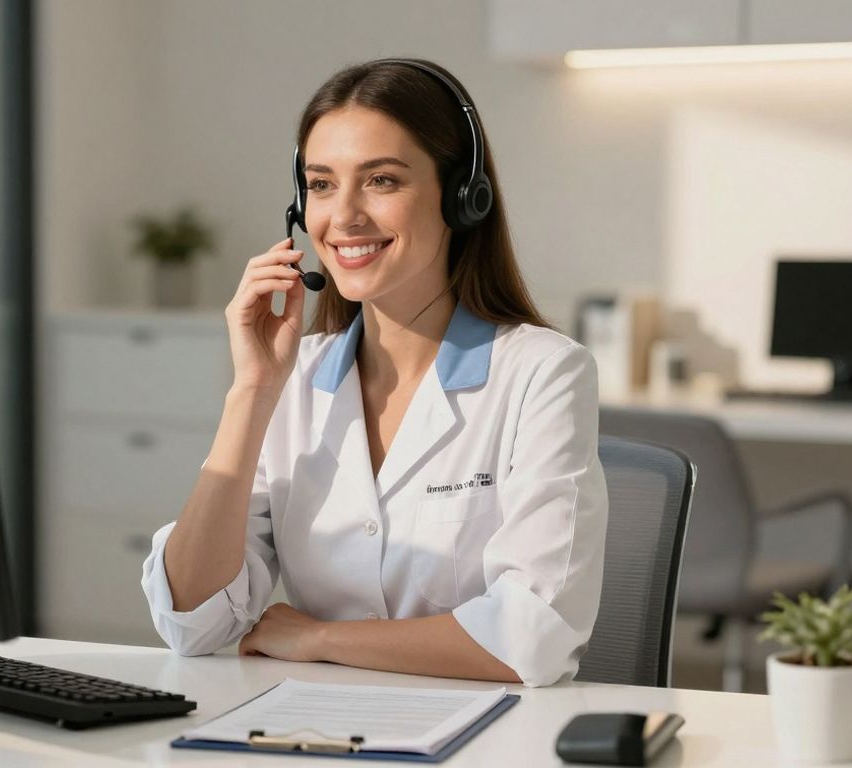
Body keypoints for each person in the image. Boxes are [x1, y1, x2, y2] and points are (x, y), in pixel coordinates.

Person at [141, 58, 607, 686]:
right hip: (312, 733)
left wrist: (319, 637)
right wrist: (250, 392)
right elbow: (192, 621)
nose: (345, 216)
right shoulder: (293, 380)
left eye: (382, 180)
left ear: (461, 196)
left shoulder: (543, 373)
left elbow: (534, 637)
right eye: (322, 184)